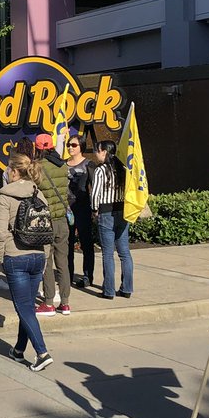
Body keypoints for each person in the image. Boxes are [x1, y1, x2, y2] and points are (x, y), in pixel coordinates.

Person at [0, 152, 52, 372]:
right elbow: (47, 229)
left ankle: (42, 352)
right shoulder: (39, 195)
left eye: (8, 169)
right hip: (37, 256)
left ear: (14, 171)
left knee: (24, 307)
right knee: (26, 306)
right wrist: (44, 257)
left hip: (16, 255)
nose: (7, 172)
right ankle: (18, 349)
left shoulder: (6, 196)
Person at [89, 141, 133, 300]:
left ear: (104, 152)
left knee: (108, 253)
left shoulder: (101, 170)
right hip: (122, 211)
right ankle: (127, 288)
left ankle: (109, 291)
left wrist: (94, 210)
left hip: (106, 212)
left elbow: (95, 194)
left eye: (97, 151)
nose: (96, 154)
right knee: (124, 253)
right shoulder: (123, 168)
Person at [34, 133, 72, 316]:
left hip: (45, 221)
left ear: (39, 148)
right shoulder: (63, 165)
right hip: (62, 220)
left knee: (47, 262)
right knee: (62, 262)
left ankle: (48, 302)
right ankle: (65, 303)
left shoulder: (38, 168)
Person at [65, 135, 95, 288]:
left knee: (86, 243)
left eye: (74, 145)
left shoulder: (89, 164)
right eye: (68, 144)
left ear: (81, 146)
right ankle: (67, 276)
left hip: (83, 208)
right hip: (67, 209)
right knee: (67, 244)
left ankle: (88, 276)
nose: (70, 147)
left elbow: (95, 188)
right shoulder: (63, 165)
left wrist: (95, 208)